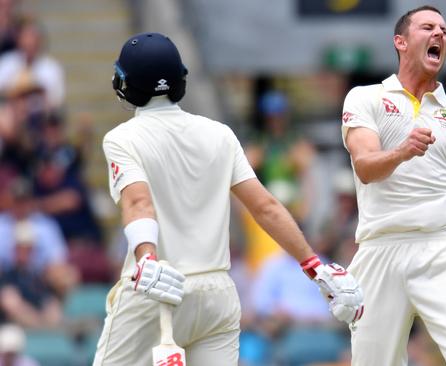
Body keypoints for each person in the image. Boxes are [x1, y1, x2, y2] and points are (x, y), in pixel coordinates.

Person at [92, 32, 363, 366]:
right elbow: (265, 206)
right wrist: (316, 267)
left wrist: (146, 258)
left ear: (125, 84)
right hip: (216, 294)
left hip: (155, 288)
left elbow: (138, 203)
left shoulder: (122, 138)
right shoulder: (220, 134)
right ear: (181, 81)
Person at [340, 6, 446, 365]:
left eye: (444, 31)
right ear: (400, 41)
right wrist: (401, 152)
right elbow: (365, 167)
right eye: (428, 27)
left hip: (441, 249)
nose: (439, 35)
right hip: (380, 249)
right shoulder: (365, 98)